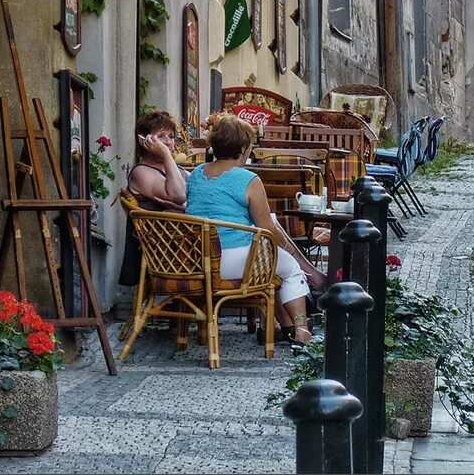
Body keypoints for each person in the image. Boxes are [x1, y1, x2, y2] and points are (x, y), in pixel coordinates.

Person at [186, 114, 327, 344]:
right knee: (290, 269)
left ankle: (286, 327)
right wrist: (287, 249)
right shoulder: (248, 179)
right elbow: (267, 229)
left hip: (195, 259)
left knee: (277, 255)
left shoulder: (197, 175)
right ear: (243, 147)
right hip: (232, 261)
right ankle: (302, 332)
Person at [117, 110, 190, 288]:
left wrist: (185, 206)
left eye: (171, 137)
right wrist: (166, 155)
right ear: (144, 141)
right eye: (161, 136)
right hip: (168, 250)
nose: (168, 142)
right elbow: (178, 195)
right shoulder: (142, 172)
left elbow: (199, 193)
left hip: (182, 242)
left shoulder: (171, 168)